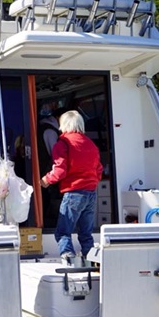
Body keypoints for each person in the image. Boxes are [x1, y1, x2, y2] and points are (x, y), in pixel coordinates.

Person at [40, 110, 103, 264]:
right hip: (91, 193)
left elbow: (60, 170)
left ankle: (69, 260)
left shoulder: (63, 144)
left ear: (63, 124)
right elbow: (99, 169)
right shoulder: (90, 144)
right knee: (86, 233)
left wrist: (45, 180)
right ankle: (93, 261)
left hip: (73, 193)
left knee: (63, 232)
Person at [37, 107, 66, 227]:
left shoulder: (43, 127)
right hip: (46, 174)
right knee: (46, 200)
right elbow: (55, 155)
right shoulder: (50, 131)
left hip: (43, 172)